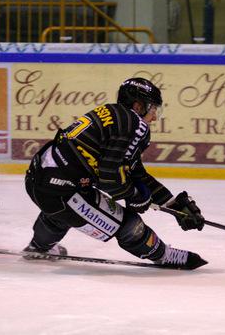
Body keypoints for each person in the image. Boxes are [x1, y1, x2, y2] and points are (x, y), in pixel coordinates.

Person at [23, 77, 207, 269]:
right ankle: (166, 255)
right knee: (129, 224)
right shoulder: (135, 124)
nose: (154, 117)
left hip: (39, 179)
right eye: (153, 110)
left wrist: (172, 204)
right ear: (138, 106)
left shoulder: (114, 115)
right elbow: (110, 178)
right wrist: (134, 195)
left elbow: (134, 171)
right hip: (64, 191)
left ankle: (39, 247)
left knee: (62, 213)